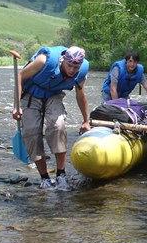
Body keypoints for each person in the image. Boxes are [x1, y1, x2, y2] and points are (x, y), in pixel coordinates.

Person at [12, 46, 91, 189]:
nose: (72, 70)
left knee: (58, 126)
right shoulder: (44, 61)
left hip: (53, 94)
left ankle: (61, 174)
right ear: (63, 60)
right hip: (31, 94)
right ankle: (44, 178)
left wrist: (86, 120)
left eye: (76, 67)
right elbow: (20, 76)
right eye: (69, 65)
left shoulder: (82, 72)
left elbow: (81, 95)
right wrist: (16, 106)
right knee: (32, 132)